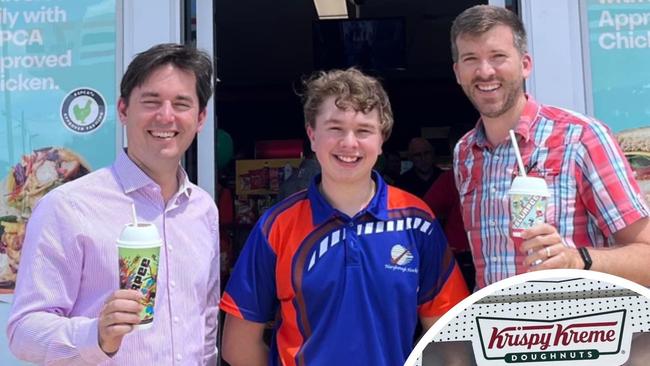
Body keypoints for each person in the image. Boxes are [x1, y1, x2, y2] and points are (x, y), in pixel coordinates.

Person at [219, 68, 469, 366]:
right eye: (335, 128)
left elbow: (449, 341)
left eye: (363, 130)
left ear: (381, 139)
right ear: (312, 135)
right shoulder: (277, 226)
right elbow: (237, 346)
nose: (349, 143)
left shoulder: (417, 222)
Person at [6, 43, 220, 364]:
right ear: (122, 110)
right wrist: (97, 335)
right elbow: (23, 331)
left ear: (200, 117)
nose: (166, 115)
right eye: (151, 101)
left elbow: (204, 321)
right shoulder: (68, 206)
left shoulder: (202, 209)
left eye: (181, 103)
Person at [450, 5, 650, 290]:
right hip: (505, 331)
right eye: (471, 59)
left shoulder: (580, 137)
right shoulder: (465, 153)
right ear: (458, 72)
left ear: (525, 64)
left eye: (498, 57)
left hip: (581, 330)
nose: (485, 71)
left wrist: (574, 260)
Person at [424, 128, 475, 291]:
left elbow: (428, 210)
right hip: (459, 254)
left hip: (468, 254)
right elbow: (428, 209)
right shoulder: (451, 177)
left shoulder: (451, 176)